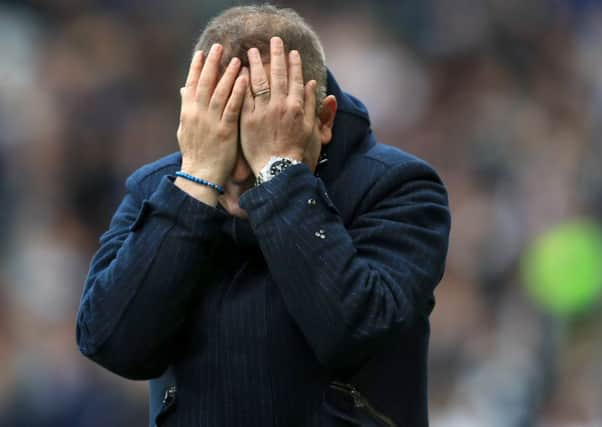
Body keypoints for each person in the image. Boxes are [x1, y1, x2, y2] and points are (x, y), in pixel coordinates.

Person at [75, 5, 451, 427]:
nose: (235, 171)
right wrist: (197, 183)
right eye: (224, 136)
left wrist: (279, 176)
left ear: (322, 119)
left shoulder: (399, 187)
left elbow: (355, 331)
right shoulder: (164, 188)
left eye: (259, 136)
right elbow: (111, 343)